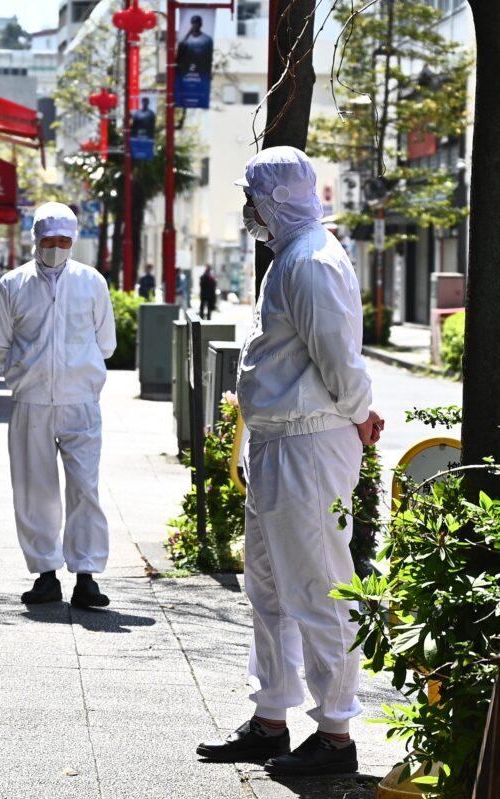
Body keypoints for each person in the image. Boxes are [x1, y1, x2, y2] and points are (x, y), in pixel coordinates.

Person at [196, 147, 383, 776]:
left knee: (319, 586)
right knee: (270, 586)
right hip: (283, 442)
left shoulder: (310, 261)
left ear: (274, 198)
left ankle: (335, 734)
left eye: (252, 197)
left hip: (308, 443)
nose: (248, 210)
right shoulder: (292, 259)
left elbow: (337, 355)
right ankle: (271, 716)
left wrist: (361, 412)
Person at [0, 202, 116, 609]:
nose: (56, 249)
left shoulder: (91, 282)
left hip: (81, 401)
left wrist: (82, 371)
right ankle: (45, 574)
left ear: (73, 241)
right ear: (35, 240)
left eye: (63, 242)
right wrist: (23, 375)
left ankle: (86, 576)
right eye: (48, 241)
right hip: (32, 402)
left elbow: (106, 340)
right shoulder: (12, 285)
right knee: (34, 490)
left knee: (85, 489)